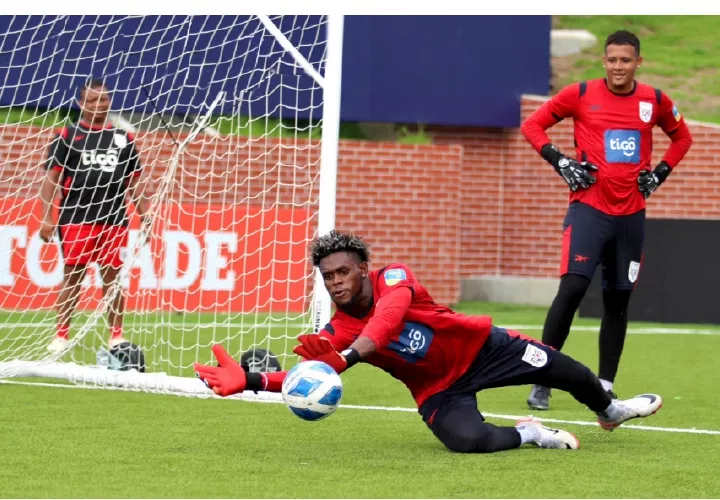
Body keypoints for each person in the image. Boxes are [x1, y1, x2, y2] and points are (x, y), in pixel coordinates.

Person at [194, 230, 663, 453]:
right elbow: (312, 378)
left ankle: (611, 412)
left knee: (573, 374)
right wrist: (253, 378)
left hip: (486, 349)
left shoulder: (394, 277)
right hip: (439, 388)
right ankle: (532, 433)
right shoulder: (336, 331)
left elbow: (385, 322)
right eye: (327, 276)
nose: (336, 282)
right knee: (467, 442)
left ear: (363, 269)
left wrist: (349, 354)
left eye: (343, 272)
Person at [519, 30, 693, 410]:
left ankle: (605, 384)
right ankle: (541, 379)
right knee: (572, 290)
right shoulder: (579, 94)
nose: (618, 66)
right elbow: (532, 125)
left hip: (631, 217)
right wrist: (560, 160)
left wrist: (660, 173)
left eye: (626, 60)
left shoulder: (655, 100)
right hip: (589, 210)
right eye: (612, 59)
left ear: (638, 62)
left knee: (618, 301)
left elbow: (683, 138)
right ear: (604, 61)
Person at [39, 78, 151, 353]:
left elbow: (134, 181)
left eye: (103, 99)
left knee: (113, 278)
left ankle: (116, 335)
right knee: (73, 275)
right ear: (81, 103)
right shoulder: (67, 135)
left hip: (114, 218)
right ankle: (61, 335)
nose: (98, 104)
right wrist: (46, 216)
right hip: (76, 217)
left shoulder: (123, 137)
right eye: (92, 100)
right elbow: (51, 179)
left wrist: (146, 215)